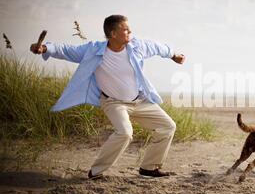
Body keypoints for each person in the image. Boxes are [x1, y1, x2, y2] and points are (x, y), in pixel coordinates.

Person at [30, 15, 185, 179]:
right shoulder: (93, 50)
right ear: (113, 34)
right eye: (125, 29)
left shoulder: (137, 46)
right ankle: (96, 171)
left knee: (168, 126)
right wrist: (45, 48)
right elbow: (66, 50)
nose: (130, 32)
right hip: (113, 102)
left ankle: (149, 168)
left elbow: (158, 47)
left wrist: (174, 55)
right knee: (125, 133)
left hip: (139, 100)